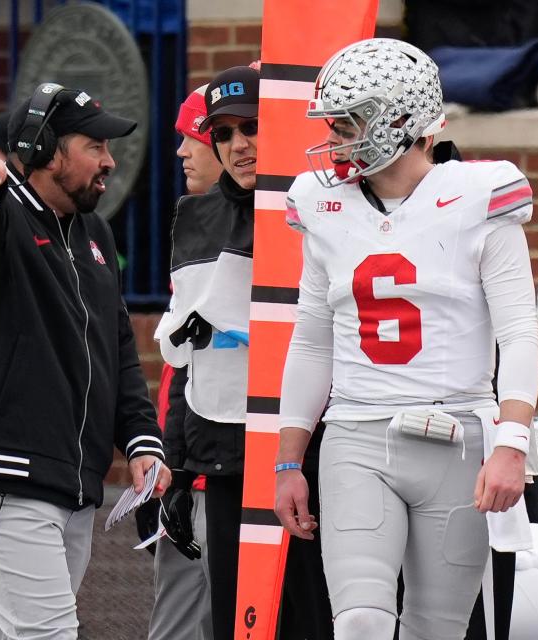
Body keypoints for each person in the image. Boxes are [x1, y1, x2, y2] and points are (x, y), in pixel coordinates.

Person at [273, 38, 538, 640]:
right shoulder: (322, 205)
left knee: (437, 632)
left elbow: (519, 329)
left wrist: (512, 442)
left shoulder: (480, 194)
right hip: (356, 434)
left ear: (397, 120)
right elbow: (312, 338)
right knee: (362, 623)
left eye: (346, 124)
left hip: (459, 433)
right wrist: (289, 458)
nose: (334, 139)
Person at [0, 83, 169, 640]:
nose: (110, 161)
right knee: (47, 633)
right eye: (94, 146)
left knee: (14, 632)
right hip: (3, 470)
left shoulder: (96, 233)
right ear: (44, 149)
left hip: (71, 479)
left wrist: (141, 441)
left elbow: (116, 349)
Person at [158, 65, 334, 640]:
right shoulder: (195, 217)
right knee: (243, 624)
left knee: (317, 620)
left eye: (251, 127)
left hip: (319, 451)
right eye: (224, 133)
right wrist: (181, 471)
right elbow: (190, 353)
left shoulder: (326, 205)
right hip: (227, 454)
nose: (237, 145)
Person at [143, 83, 218, 640]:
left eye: (193, 136)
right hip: (194, 466)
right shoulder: (197, 219)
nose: (180, 151)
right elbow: (180, 365)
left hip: (223, 471)